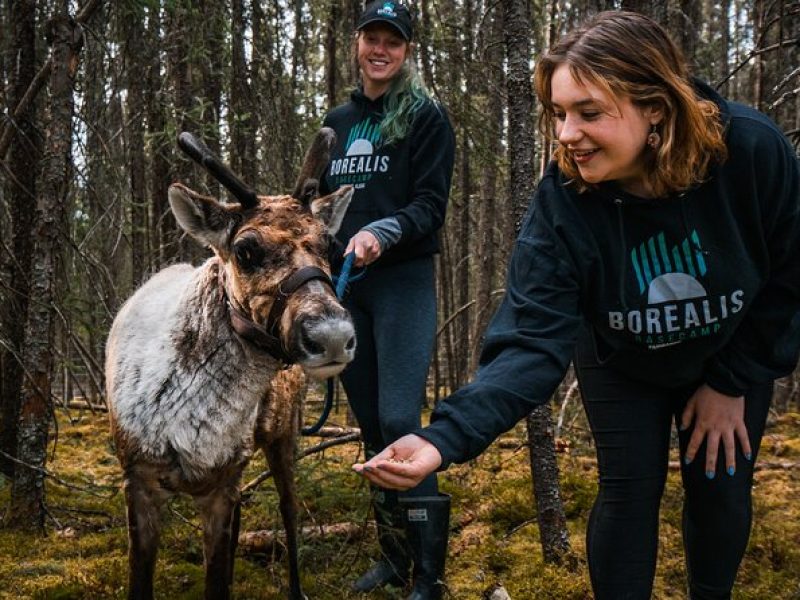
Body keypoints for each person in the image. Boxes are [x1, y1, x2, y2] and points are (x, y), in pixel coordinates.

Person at [354, 10, 800, 600]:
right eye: (560, 113)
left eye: (589, 113)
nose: (566, 134)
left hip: (731, 349)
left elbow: (791, 277)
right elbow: (530, 342)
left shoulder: (750, 152)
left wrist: (731, 381)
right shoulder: (564, 200)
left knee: (720, 486)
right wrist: (444, 438)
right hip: (621, 358)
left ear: (656, 108)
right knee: (628, 488)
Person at [318, 1, 455, 598]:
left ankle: (429, 575)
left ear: (405, 51)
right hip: (348, 290)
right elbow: (317, 204)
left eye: (392, 42)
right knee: (372, 426)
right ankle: (396, 560)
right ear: (357, 43)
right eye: (371, 38)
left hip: (402, 282)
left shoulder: (424, 116)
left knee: (401, 419)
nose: (380, 50)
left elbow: (430, 205)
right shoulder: (336, 122)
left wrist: (384, 232)